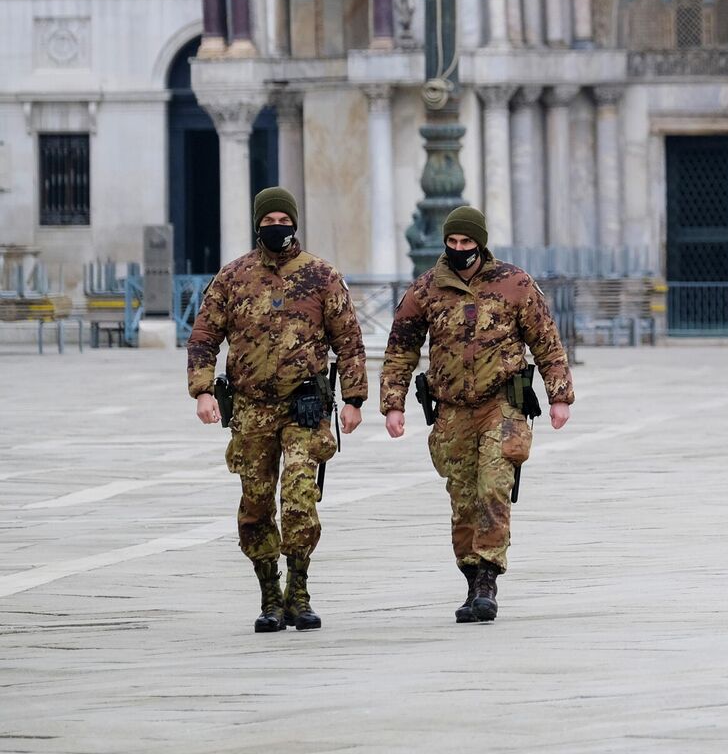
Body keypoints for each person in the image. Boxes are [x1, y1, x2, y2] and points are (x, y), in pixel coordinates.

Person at [381, 206, 575, 624]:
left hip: (500, 404)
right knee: (463, 498)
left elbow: (546, 342)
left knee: (493, 486)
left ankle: (488, 579)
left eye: (466, 243)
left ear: (480, 243)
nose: (459, 249)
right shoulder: (427, 289)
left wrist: (560, 397)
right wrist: (392, 404)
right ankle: (470, 579)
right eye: (452, 242)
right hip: (451, 411)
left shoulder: (514, 283)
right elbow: (400, 350)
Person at [187, 186, 366, 634]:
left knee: (300, 498)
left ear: (295, 223)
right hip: (250, 410)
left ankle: (299, 591)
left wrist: (354, 399)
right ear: (257, 225)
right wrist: (203, 391)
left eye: (282, 220)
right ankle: (270, 594)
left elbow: (349, 341)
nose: (276, 228)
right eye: (268, 222)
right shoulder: (233, 278)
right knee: (255, 505)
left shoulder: (322, 276)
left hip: (304, 408)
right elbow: (205, 336)